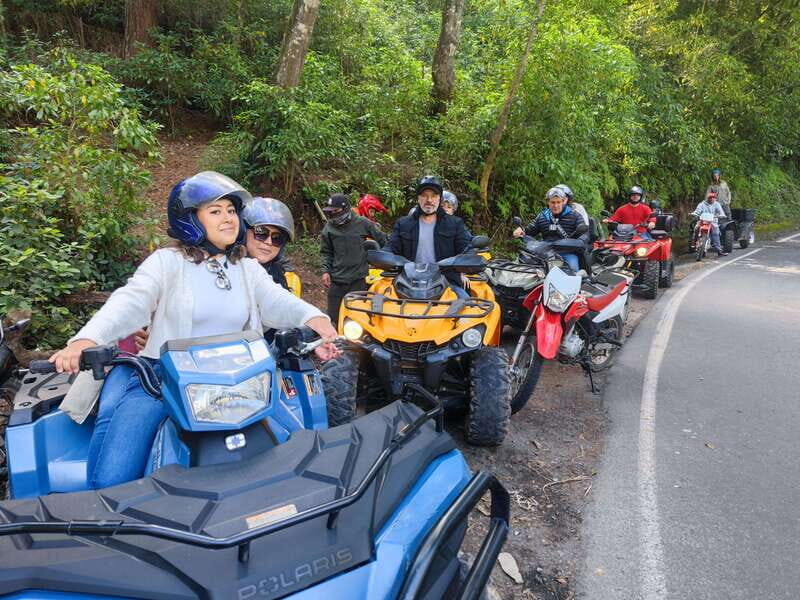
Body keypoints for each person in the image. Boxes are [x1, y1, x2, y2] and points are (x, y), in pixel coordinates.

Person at [49, 171, 339, 489]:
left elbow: (277, 301)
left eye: (231, 211)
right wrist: (86, 340)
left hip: (240, 383)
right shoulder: (166, 263)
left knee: (306, 451)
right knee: (113, 478)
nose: (228, 219)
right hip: (163, 379)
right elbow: (129, 302)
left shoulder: (246, 268)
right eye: (215, 212)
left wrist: (316, 319)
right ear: (191, 219)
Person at [385, 176, 473, 298]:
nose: (429, 200)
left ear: (439, 199)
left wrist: (468, 262)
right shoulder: (403, 224)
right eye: (425, 195)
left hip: (447, 283)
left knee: (467, 308)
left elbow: (466, 250)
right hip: (406, 283)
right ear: (418, 198)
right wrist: (382, 257)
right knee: (377, 304)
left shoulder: (455, 224)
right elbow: (390, 248)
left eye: (434, 196)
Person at [321, 193, 387, 326]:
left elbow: (383, 240)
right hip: (337, 280)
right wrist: (325, 271)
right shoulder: (329, 228)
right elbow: (326, 252)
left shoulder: (362, 223)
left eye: (336, 211)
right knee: (333, 319)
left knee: (356, 320)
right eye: (330, 212)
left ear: (345, 209)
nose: (332, 215)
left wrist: (385, 260)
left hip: (357, 280)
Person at [512, 186, 587, 273]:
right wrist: (521, 230)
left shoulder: (575, 215)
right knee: (524, 267)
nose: (556, 205)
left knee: (573, 269)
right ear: (548, 202)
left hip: (566, 251)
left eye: (558, 202)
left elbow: (584, 234)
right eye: (553, 202)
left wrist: (578, 242)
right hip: (544, 252)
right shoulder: (543, 216)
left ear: (563, 202)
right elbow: (530, 230)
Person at [242, 196, 297, 293]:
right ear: (243, 232)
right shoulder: (224, 272)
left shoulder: (281, 277)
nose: (269, 242)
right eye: (261, 233)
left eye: (277, 238)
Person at [691, 190, 729, 257]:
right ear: (707, 198)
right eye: (710, 197)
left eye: (713, 197)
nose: (712, 199)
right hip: (702, 221)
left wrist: (722, 215)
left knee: (716, 233)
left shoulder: (717, 204)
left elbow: (721, 212)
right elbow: (697, 211)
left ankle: (719, 251)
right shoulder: (702, 204)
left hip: (713, 222)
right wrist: (695, 213)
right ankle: (693, 243)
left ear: (715, 198)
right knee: (696, 228)